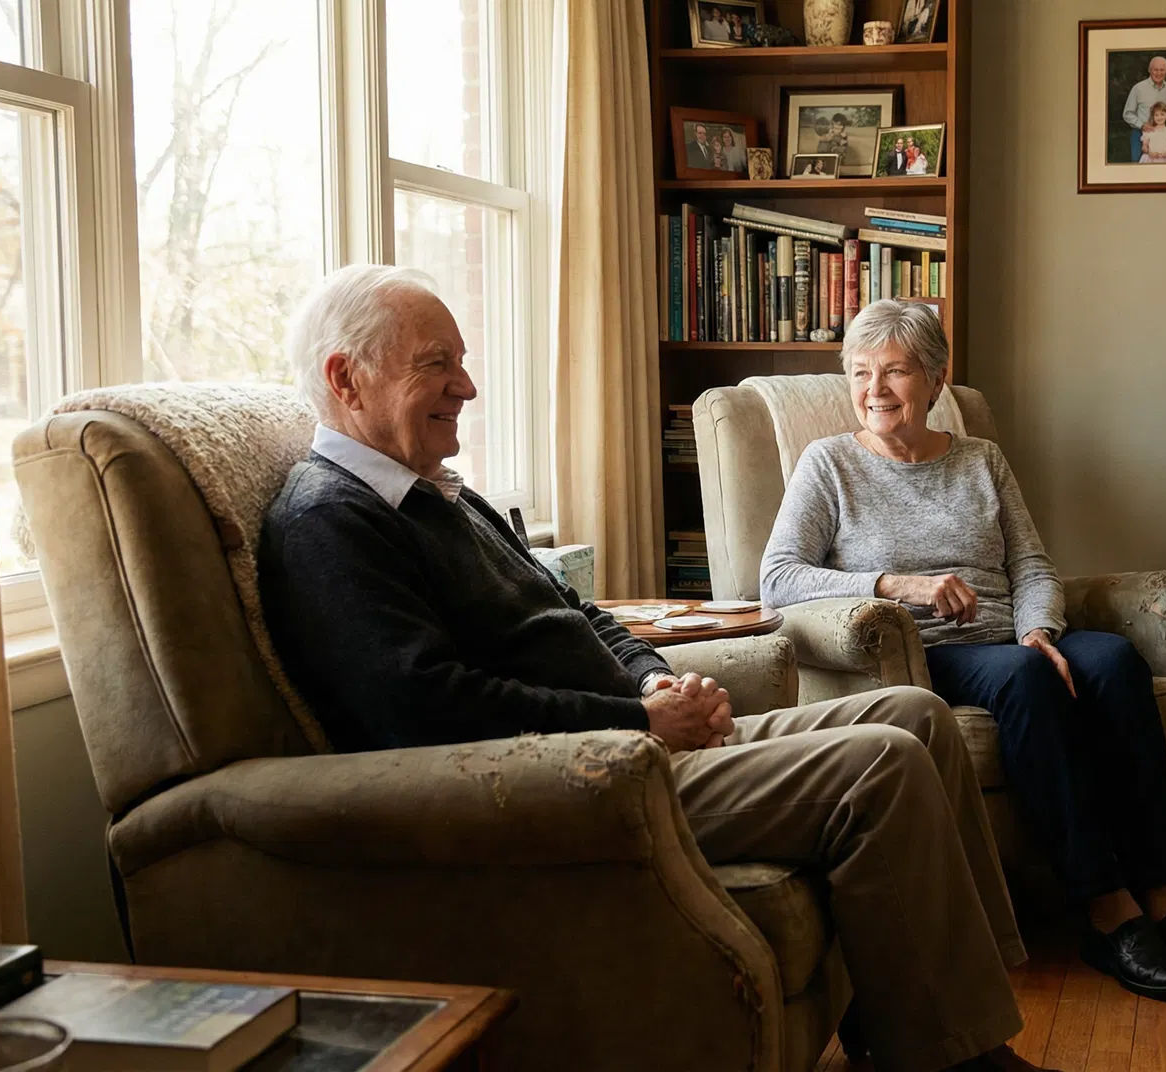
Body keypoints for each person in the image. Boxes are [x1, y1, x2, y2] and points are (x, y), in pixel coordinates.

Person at [262, 267, 1055, 1072]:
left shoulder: (439, 495)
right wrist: (638, 723)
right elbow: (421, 710)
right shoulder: (333, 520)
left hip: (635, 737)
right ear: (344, 377)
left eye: (460, 362)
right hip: (579, 774)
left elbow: (584, 617)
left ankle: (954, 1016)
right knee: (878, 765)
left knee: (914, 715)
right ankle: (957, 1059)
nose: (465, 385)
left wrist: (652, 681)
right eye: (437, 364)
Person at [760, 300, 1166, 1005]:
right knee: (1027, 681)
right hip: (926, 650)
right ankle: (1104, 909)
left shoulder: (982, 460)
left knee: (1112, 661)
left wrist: (1040, 631)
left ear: (935, 379)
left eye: (894, 372)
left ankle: (1165, 899)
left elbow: (1033, 566)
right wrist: (900, 585)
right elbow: (777, 579)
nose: (874, 389)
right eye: (860, 372)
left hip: (1012, 638)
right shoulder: (829, 465)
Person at [1121, 56, 1166, 161]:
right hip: (1140, 133)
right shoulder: (1138, 88)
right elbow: (1127, 113)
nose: (1159, 73)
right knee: (1139, 168)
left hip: (1163, 135)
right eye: (1156, 70)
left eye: (1162, 70)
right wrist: (1142, 125)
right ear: (1150, 70)